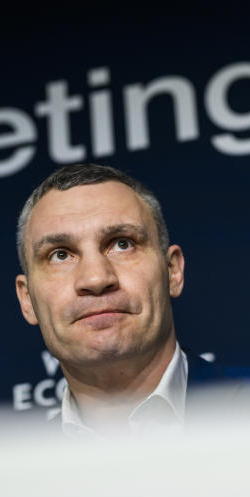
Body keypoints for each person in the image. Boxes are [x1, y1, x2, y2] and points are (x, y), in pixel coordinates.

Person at [14, 163, 231, 438]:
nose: (95, 279)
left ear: (172, 272)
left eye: (122, 243)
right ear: (27, 299)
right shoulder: (11, 476)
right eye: (60, 255)